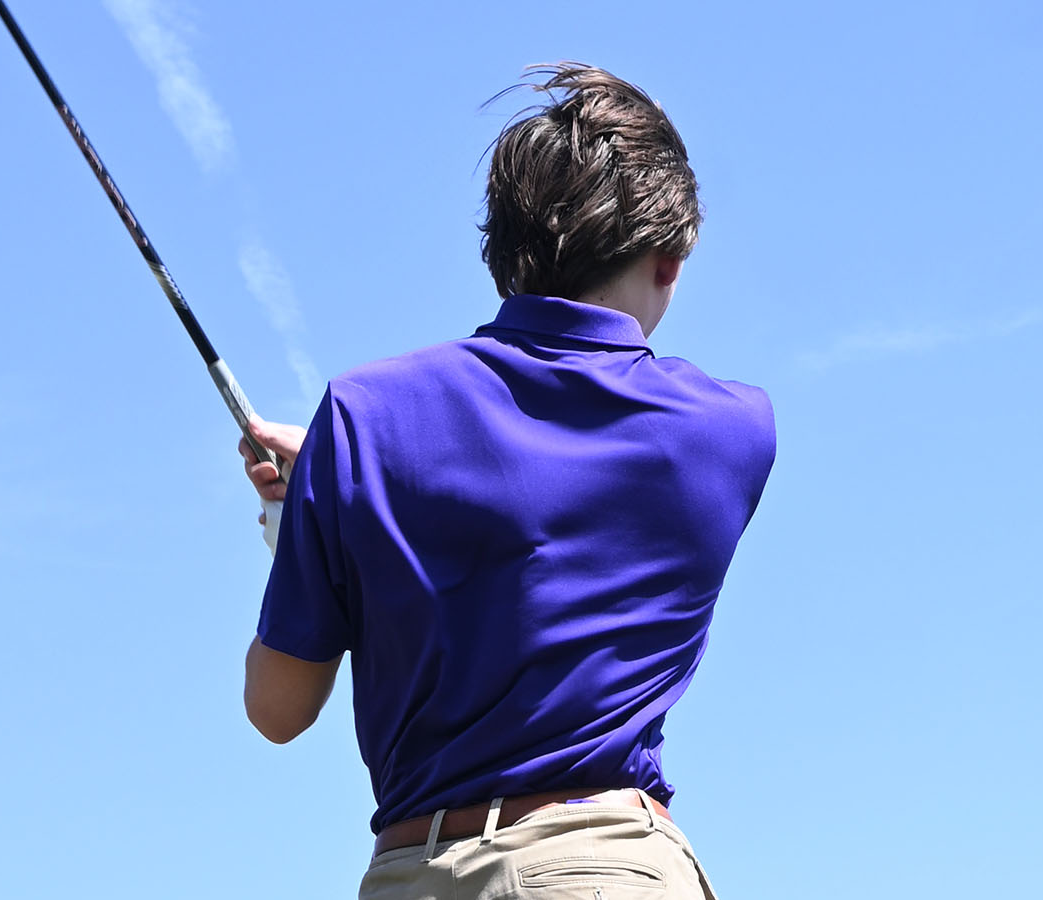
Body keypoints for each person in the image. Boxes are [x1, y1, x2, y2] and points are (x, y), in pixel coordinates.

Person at [234, 63, 774, 900]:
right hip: (608, 866)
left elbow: (279, 709)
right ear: (669, 260)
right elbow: (536, 514)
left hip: (418, 873)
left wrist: (322, 501)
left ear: (502, 247)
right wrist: (338, 490)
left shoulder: (362, 415)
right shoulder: (731, 430)